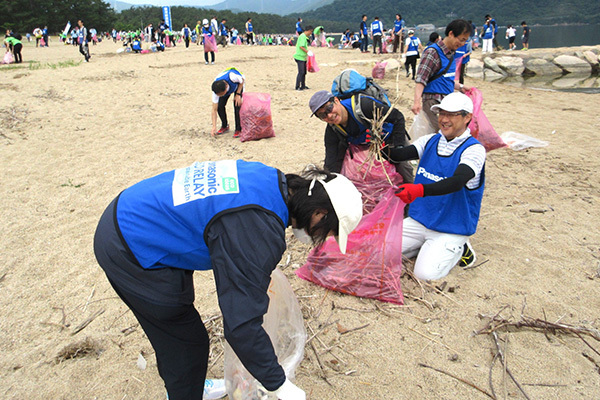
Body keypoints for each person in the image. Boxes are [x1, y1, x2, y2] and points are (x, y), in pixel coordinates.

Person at [93, 159, 363, 400]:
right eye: (328, 232)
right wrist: (279, 385)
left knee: (177, 324)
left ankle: (188, 386)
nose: (321, 239)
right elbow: (241, 324)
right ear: (320, 213)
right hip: (129, 245)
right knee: (184, 340)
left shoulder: (269, 179)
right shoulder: (257, 227)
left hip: (138, 213)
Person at [384, 92, 485, 280]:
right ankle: (426, 247)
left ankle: (460, 247)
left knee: (424, 275)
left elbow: (457, 182)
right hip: (420, 220)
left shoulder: (474, 150)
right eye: (441, 114)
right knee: (379, 251)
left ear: (467, 118)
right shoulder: (430, 140)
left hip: (451, 227)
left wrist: (420, 190)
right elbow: (398, 155)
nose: (444, 120)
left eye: (452, 115)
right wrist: (378, 143)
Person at [309, 90, 414, 185]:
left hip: (391, 136)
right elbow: (331, 158)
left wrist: (399, 147)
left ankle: (412, 200)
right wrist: (329, 182)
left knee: (402, 169)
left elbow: (397, 117)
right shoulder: (333, 130)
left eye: (329, 108)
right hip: (366, 145)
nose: (329, 115)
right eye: (323, 115)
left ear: (336, 100)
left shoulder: (364, 106)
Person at [411, 19, 472, 132]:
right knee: (442, 133)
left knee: (449, 133)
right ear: (451, 34)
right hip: (433, 102)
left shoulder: (451, 54)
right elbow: (421, 79)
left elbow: (444, 79)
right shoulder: (432, 52)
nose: (462, 44)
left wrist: (461, 87)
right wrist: (416, 102)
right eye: (461, 39)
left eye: (465, 41)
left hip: (446, 102)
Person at [211, 67, 244, 138]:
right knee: (220, 106)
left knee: (237, 105)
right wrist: (214, 126)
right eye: (218, 95)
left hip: (238, 84)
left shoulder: (233, 77)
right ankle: (225, 126)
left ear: (226, 87)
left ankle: (238, 129)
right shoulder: (216, 90)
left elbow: (242, 81)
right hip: (224, 88)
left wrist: (238, 94)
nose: (219, 96)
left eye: (221, 94)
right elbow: (214, 110)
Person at [293, 25, 313, 91]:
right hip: (299, 57)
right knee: (301, 72)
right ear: (309, 31)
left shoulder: (305, 37)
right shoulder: (302, 37)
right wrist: (307, 52)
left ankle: (303, 85)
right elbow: (301, 46)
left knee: (304, 72)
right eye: (311, 32)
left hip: (303, 57)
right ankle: (297, 86)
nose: (311, 33)